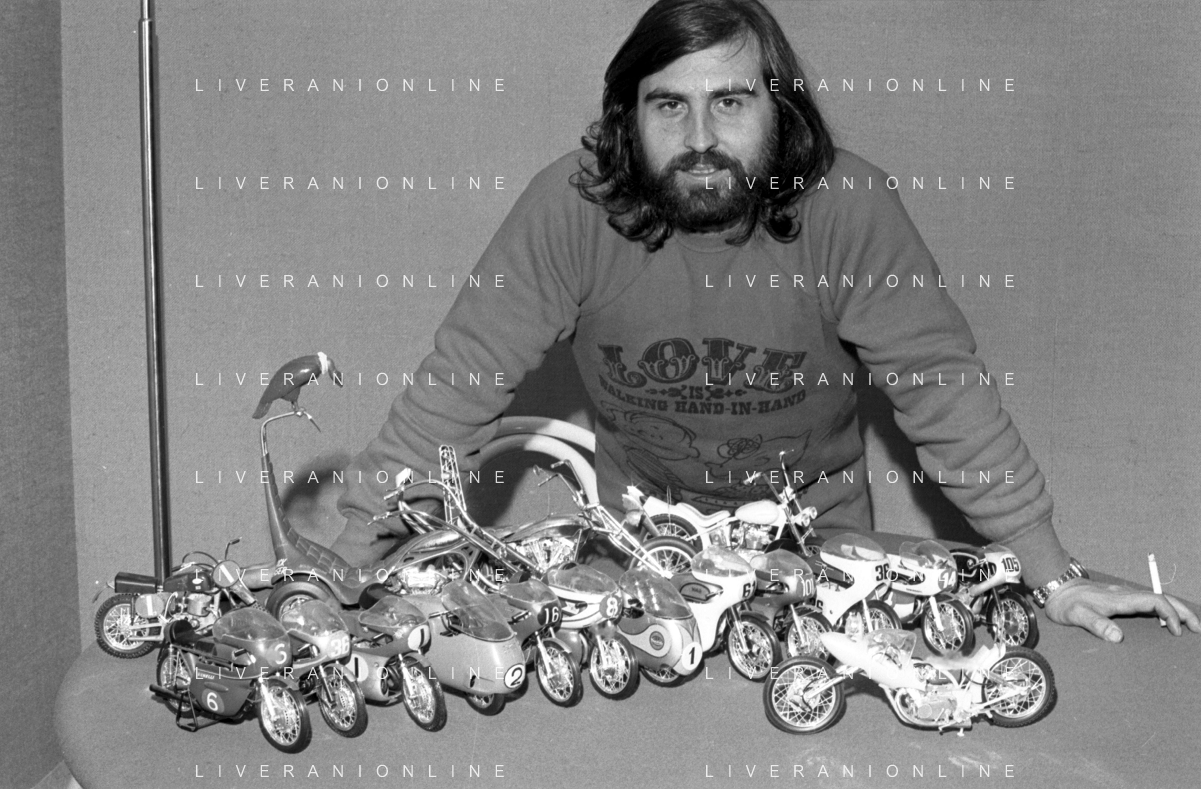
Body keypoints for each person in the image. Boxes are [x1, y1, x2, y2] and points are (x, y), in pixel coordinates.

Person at [332, 0, 1198, 643]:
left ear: (779, 111)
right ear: (628, 117)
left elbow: (941, 391)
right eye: (668, 105)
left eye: (731, 101)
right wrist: (340, 563)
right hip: (640, 549)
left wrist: (1051, 574)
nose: (699, 137)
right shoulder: (571, 209)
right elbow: (455, 390)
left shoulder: (847, 207)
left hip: (818, 547)